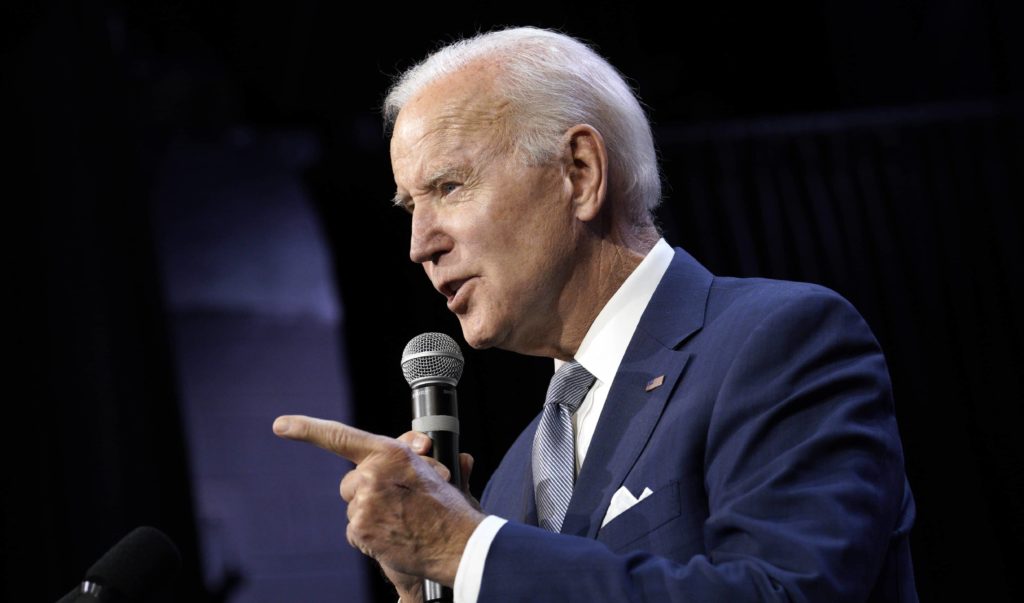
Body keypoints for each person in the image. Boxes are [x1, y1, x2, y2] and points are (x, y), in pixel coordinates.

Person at [273, 26, 918, 602]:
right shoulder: (514, 481)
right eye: (409, 206)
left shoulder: (779, 343)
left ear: (579, 173)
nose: (420, 246)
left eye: (448, 187)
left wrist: (467, 552)